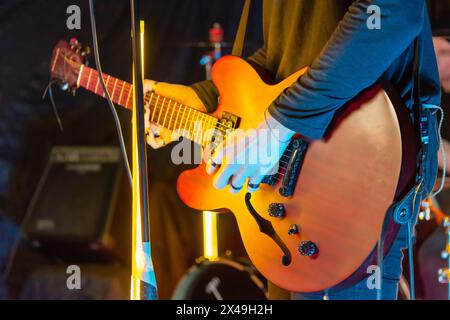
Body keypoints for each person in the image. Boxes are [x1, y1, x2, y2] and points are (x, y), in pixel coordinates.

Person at [144, 0, 441, 300]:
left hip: (363, 151)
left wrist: (276, 128)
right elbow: (287, 56)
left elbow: (392, 13)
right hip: (299, 163)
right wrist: (201, 98)